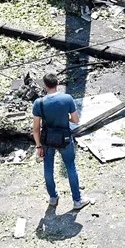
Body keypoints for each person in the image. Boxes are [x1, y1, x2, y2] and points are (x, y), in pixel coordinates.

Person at [31, 73, 91, 209]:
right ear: (57, 83)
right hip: (65, 139)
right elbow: (75, 120)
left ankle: (53, 198)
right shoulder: (67, 98)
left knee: (48, 168)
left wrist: (38, 146)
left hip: (47, 141)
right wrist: (65, 117)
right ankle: (77, 201)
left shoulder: (39, 103)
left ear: (45, 86)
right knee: (70, 167)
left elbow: (36, 129)